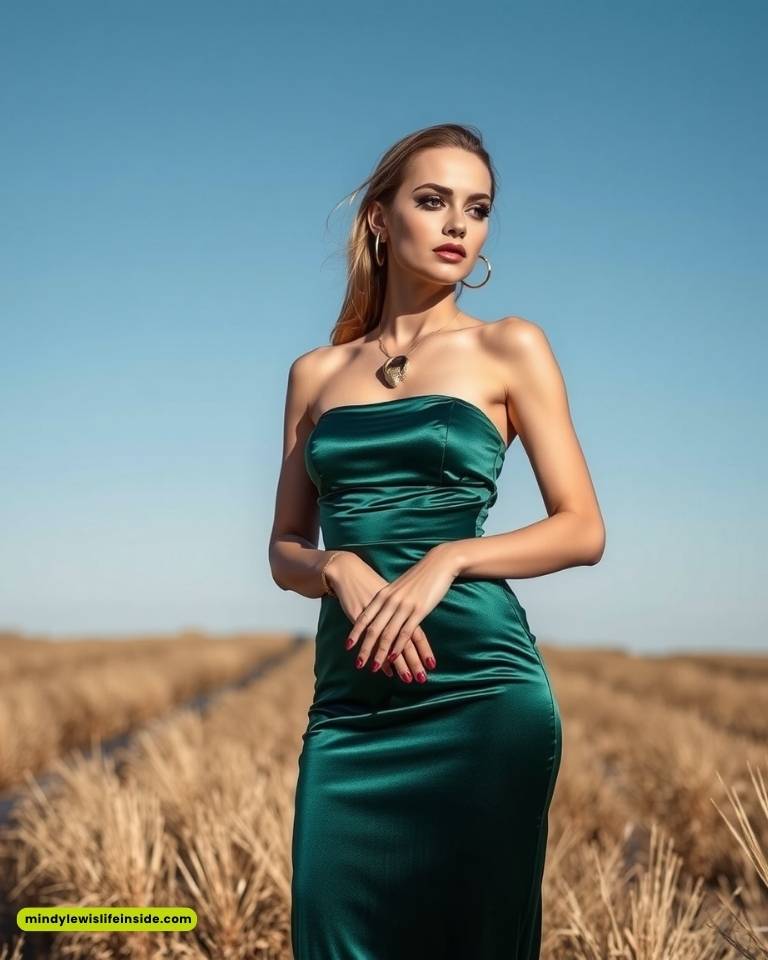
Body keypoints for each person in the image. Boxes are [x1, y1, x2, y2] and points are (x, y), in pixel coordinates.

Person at [269, 122, 605, 959]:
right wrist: (336, 567)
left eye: (477, 208)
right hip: (351, 704)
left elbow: (582, 529)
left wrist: (448, 558)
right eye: (433, 201)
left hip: (479, 691)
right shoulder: (315, 374)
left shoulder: (509, 346)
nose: (459, 224)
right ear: (381, 219)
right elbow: (283, 548)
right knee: (332, 926)